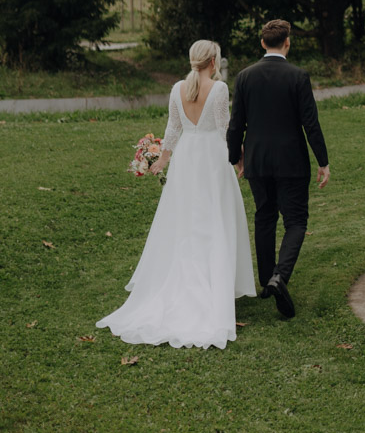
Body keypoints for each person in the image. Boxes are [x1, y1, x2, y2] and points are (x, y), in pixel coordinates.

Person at [97, 40, 254, 348]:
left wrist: (164, 158)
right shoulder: (219, 90)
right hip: (211, 158)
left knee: (186, 220)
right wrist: (239, 158)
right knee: (214, 220)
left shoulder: (176, 88)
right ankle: (211, 288)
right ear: (213, 62)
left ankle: (190, 280)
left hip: (187, 159)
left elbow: (173, 128)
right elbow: (225, 130)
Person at [227, 19, 330, 319]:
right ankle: (279, 277)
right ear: (287, 42)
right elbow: (310, 123)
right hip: (291, 162)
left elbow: (236, 125)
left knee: (265, 216)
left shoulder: (244, 77)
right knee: (296, 221)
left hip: (258, 161)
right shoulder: (298, 76)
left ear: (262, 43)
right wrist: (322, 161)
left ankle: (265, 281)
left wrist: (236, 157)